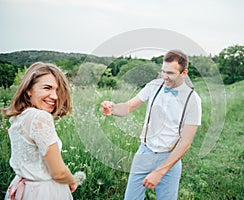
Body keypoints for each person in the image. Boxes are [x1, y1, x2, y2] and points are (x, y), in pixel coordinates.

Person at [101, 50, 202, 200]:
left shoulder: (193, 100)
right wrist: (112, 108)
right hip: (144, 153)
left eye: (170, 73)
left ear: (184, 73)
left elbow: (186, 143)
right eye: (163, 71)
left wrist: (160, 172)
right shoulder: (154, 86)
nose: (164, 76)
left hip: (170, 158)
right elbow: (128, 107)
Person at [2, 62, 78, 200]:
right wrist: (72, 180)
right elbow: (58, 172)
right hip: (45, 192)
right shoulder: (40, 117)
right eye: (47, 88)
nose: (54, 96)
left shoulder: (18, 117)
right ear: (28, 89)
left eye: (57, 90)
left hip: (23, 189)